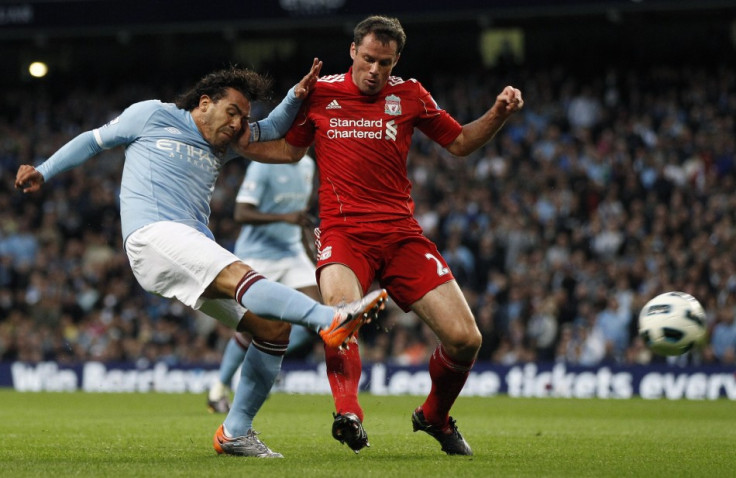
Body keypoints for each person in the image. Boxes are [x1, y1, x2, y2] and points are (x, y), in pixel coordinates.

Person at [14, 60, 388, 458]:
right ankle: (328, 319)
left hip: (187, 243)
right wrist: (44, 170)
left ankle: (235, 432)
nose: (238, 124)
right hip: (151, 235)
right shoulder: (151, 114)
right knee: (242, 275)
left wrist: (297, 94)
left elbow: (274, 129)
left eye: (244, 117)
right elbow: (92, 141)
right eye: (232, 112)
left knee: (273, 331)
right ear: (205, 102)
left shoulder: (225, 143)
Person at [240, 15, 523, 456]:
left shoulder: (411, 95)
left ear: (396, 63)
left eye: (385, 63)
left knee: (466, 340)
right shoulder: (322, 92)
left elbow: (461, 143)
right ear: (353, 51)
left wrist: (499, 113)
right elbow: (290, 150)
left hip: (401, 235)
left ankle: (433, 416)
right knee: (340, 315)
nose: (375, 70)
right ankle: (347, 413)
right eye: (368, 59)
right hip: (343, 233)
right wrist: (234, 141)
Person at [207, 153, 320, 414]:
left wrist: (311, 256)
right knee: (252, 329)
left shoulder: (307, 165)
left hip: (292, 254)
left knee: (318, 317)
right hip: (259, 257)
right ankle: (219, 388)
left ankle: (263, 364)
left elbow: (300, 217)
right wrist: (285, 218)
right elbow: (241, 212)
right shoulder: (263, 166)